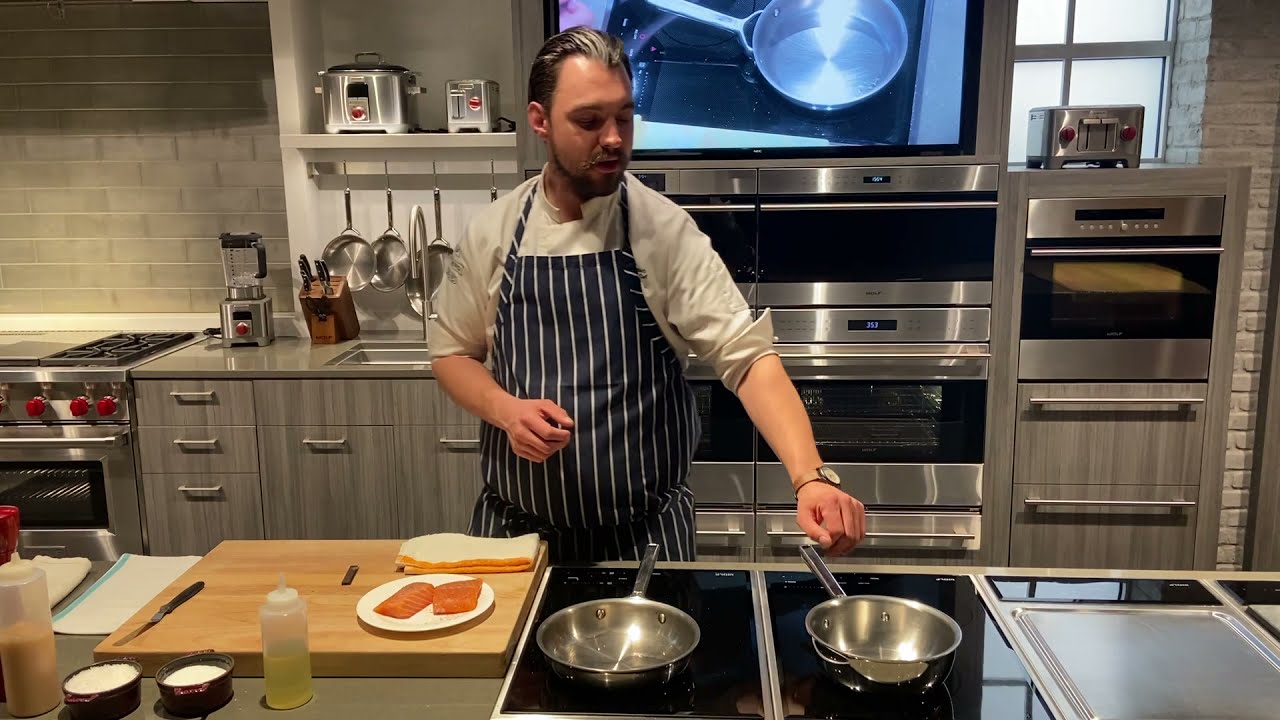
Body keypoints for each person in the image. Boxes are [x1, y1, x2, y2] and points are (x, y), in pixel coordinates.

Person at [428, 26, 865, 563]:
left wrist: (810, 477)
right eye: (589, 121)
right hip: (516, 539)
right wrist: (505, 409)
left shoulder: (663, 231)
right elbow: (452, 352)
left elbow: (748, 359)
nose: (613, 138)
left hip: (645, 543)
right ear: (540, 120)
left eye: (624, 118)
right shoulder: (494, 231)